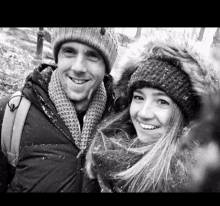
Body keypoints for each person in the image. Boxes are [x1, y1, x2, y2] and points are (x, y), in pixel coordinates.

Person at [83, 29, 220, 192]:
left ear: (185, 115)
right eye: (139, 97)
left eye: (161, 101)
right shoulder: (106, 149)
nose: (143, 113)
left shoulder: (192, 181)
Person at [0, 27, 118, 192]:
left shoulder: (121, 123)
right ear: (57, 57)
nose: (78, 67)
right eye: (69, 51)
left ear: (106, 67)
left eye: (92, 55)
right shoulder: (11, 114)